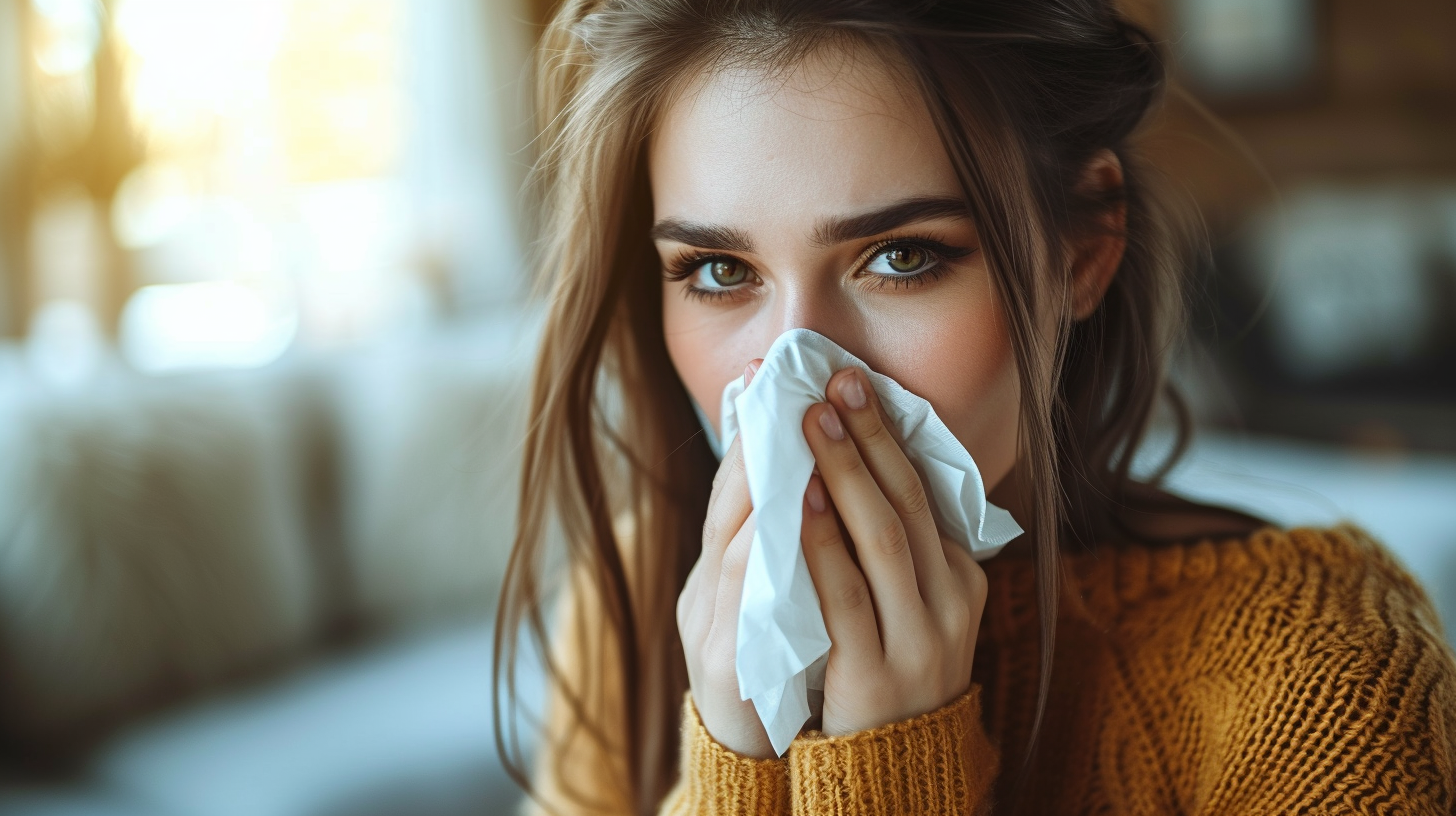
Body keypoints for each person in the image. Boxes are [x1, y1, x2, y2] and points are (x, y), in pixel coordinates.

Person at [494, 1, 1456, 814]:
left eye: (901, 256)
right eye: (718, 269)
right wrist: (732, 770)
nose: (803, 374)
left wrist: (887, 773)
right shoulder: (628, 596)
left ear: (1080, 246)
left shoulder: (1328, 675)